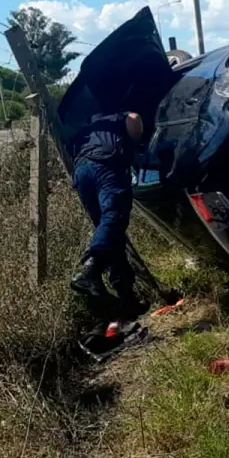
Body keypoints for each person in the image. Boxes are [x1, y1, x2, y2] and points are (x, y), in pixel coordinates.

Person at [69, 110, 148, 319]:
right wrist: (138, 142)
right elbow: (134, 118)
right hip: (106, 166)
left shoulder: (84, 133)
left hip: (81, 173)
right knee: (114, 217)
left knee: (110, 232)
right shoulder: (117, 118)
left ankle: (127, 298)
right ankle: (89, 271)